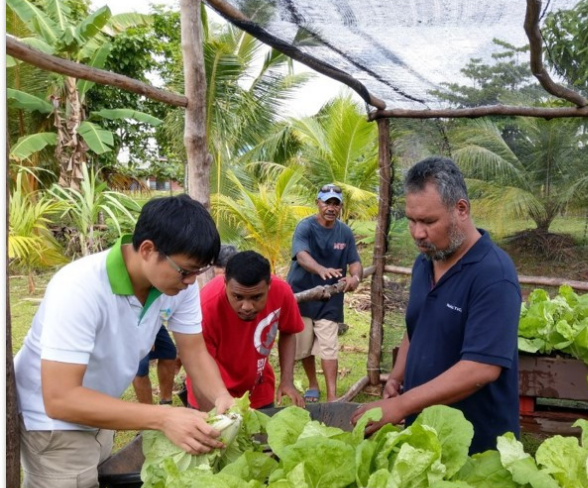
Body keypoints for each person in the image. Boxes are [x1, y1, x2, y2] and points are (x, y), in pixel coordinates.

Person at [14, 194, 234, 488]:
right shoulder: (80, 287)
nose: (190, 283)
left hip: (99, 410)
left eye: (198, 273)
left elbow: (195, 352)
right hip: (51, 424)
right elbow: (60, 398)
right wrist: (163, 417)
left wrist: (221, 398)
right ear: (148, 249)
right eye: (185, 272)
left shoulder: (173, 286)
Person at [351, 157, 522, 454]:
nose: (418, 233)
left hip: (476, 447)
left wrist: (402, 404)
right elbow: (416, 327)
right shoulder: (425, 262)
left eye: (429, 221)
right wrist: (397, 377)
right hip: (426, 437)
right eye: (412, 220)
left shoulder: (494, 274)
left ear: (461, 209)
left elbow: (480, 369)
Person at [186, 250, 305, 410]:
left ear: (269, 286)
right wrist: (212, 417)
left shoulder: (282, 292)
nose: (247, 307)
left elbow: (288, 331)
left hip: (258, 391)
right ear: (225, 284)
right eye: (238, 297)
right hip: (211, 392)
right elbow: (199, 367)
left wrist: (287, 381)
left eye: (256, 297)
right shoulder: (206, 307)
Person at [287, 183, 362, 402]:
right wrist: (321, 269)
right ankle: (312, 383)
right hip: (303, 293)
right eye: (326, 202)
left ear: (340, 207)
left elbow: (355, 262)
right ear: (317, 203)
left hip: (331, 297)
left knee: (329, 347)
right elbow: (301, 255)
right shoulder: (305, 227)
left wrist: (355, 277)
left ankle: (331, 396)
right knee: (305, 346)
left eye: (335, 204)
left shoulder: (344, 232)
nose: (330, 207)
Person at [133, 325, 178, 405]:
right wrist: (146, 335)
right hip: (132, 324)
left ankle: (166, 403)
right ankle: (148, 411)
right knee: (141, 366)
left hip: (152, 323)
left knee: (169, 353)